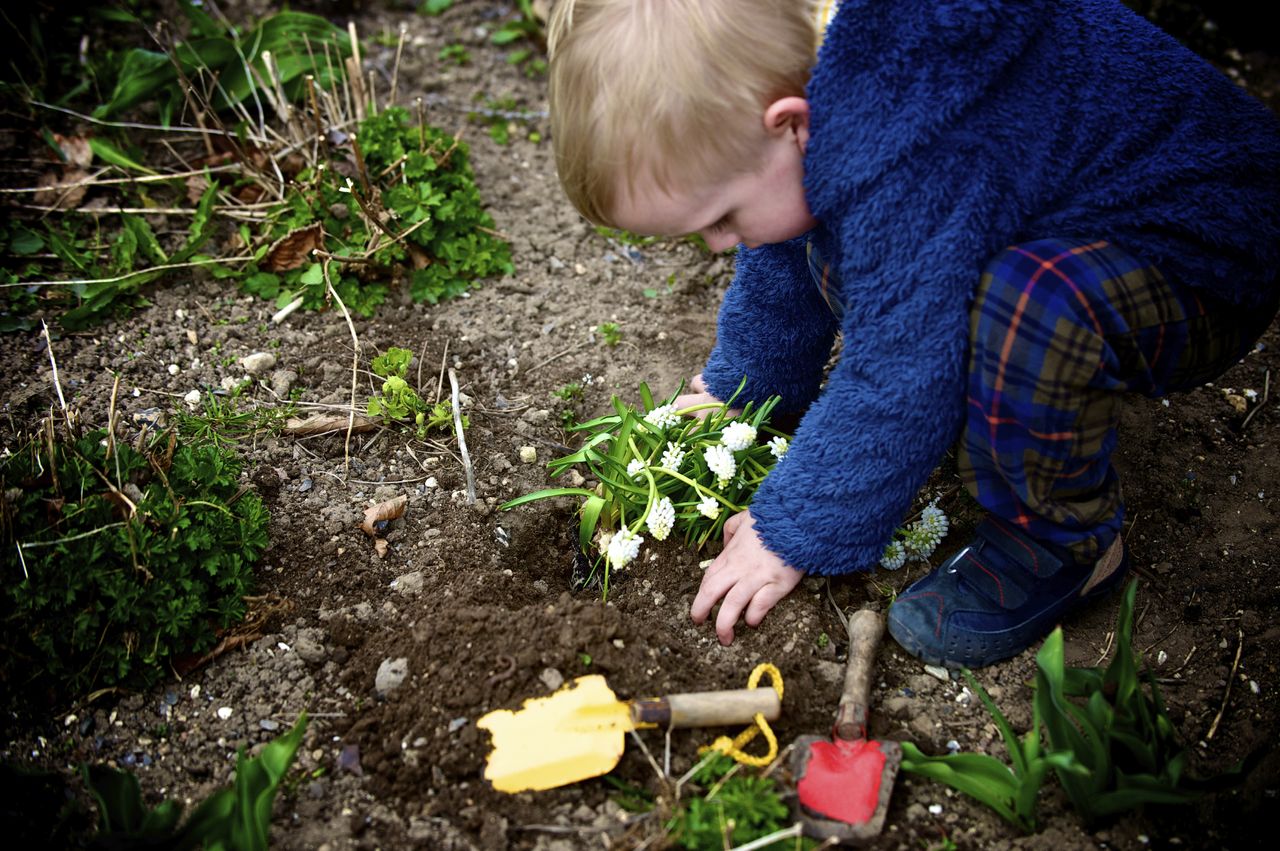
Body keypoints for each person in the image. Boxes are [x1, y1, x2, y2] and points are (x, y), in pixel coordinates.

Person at [546, 0, 1280, 667]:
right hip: (1078, 199)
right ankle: (1011, 404)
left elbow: (900, 368)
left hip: (1206, 252)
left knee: (1028, 310)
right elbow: (780, 252)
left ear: (791, 124)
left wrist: (789, 528)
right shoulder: (837, 94)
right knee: (828, 239)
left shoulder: (912, 143)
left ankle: (1060, 543)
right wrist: (747, 387)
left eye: (721, 218)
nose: (717, 243)